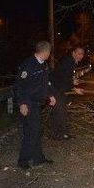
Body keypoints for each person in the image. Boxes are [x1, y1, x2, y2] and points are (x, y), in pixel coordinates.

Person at [14, 41, 56, 169]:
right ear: (45, 52)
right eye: (49, 52)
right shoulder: (28, 65)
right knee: (32, 132)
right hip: (29, 104)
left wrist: (51, 95)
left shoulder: (43, 65)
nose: (49, 55)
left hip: (38, 104)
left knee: (36, 131)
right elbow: (19, 87)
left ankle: (38, 158)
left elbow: (45, 83)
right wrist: (23, 104)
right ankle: (23, 161)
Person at [49, 46, 86, 140]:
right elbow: (63, 79)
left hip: (61, 89)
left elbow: (67, 77)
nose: (81, 56)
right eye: (79, 53)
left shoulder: (72, 62)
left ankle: (64, 133)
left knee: (63, 112)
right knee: (59, 112)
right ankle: (56, 134)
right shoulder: (68, 62)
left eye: (82, 54)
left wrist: (73, 81)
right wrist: (74, 88)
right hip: (56, 90)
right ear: (73, 53)